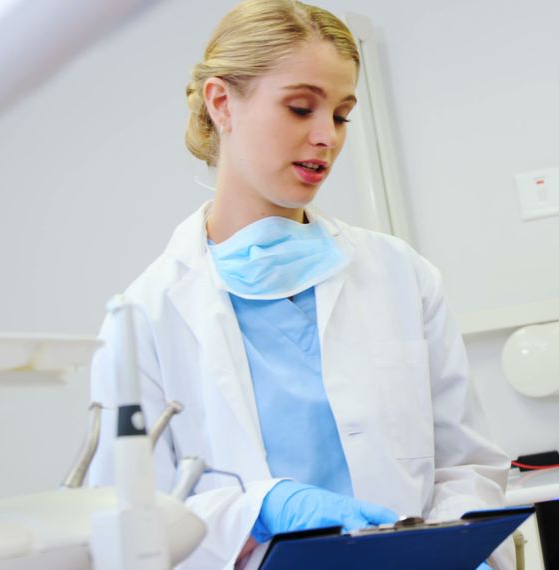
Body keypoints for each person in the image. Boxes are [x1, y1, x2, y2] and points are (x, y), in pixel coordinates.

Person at [87, 1, 510, 568]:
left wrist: (456, 548)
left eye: (340, 115)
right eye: (299, 108)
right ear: (221, 103)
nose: (326, 137)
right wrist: (257, 509)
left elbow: (465, 465)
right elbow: (131, 518)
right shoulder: (143, 318)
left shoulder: (400, 276)